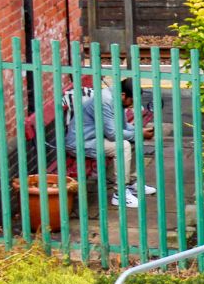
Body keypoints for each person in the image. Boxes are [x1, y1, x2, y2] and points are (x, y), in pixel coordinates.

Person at [63, 78, 155, 208]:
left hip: (96, 138)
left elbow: (122, 126)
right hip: (81, 143)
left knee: (133, 140)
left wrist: (139, 131)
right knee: (123, 146)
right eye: (132, 101)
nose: (132, 105)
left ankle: (131, 183)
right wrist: (139, 134)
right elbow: (113, 134)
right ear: (123, 95)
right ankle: (120, 194)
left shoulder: (118, 99)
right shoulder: (105, 101)